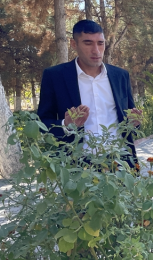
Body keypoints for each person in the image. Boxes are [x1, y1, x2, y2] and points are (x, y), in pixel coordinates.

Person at [37, 20, 141, 164]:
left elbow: (129, 119)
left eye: (100, 43)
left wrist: (134, 123)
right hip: (77, 166)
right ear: (74, 44)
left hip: (120, 162)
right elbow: (42, 123)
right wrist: (65, 125)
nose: (96, 50)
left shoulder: (120, 76)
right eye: (88, 43)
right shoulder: (55, 76)